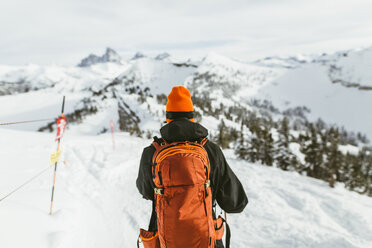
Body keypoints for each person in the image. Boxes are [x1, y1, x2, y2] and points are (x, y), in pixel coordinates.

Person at [136, 86, 248, 248]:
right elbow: (235, 203)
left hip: (165, 239)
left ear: (168, 118)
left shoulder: (152, 152)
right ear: (191, 116)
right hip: (207, 239)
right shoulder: (210, 150)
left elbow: (146, 191)